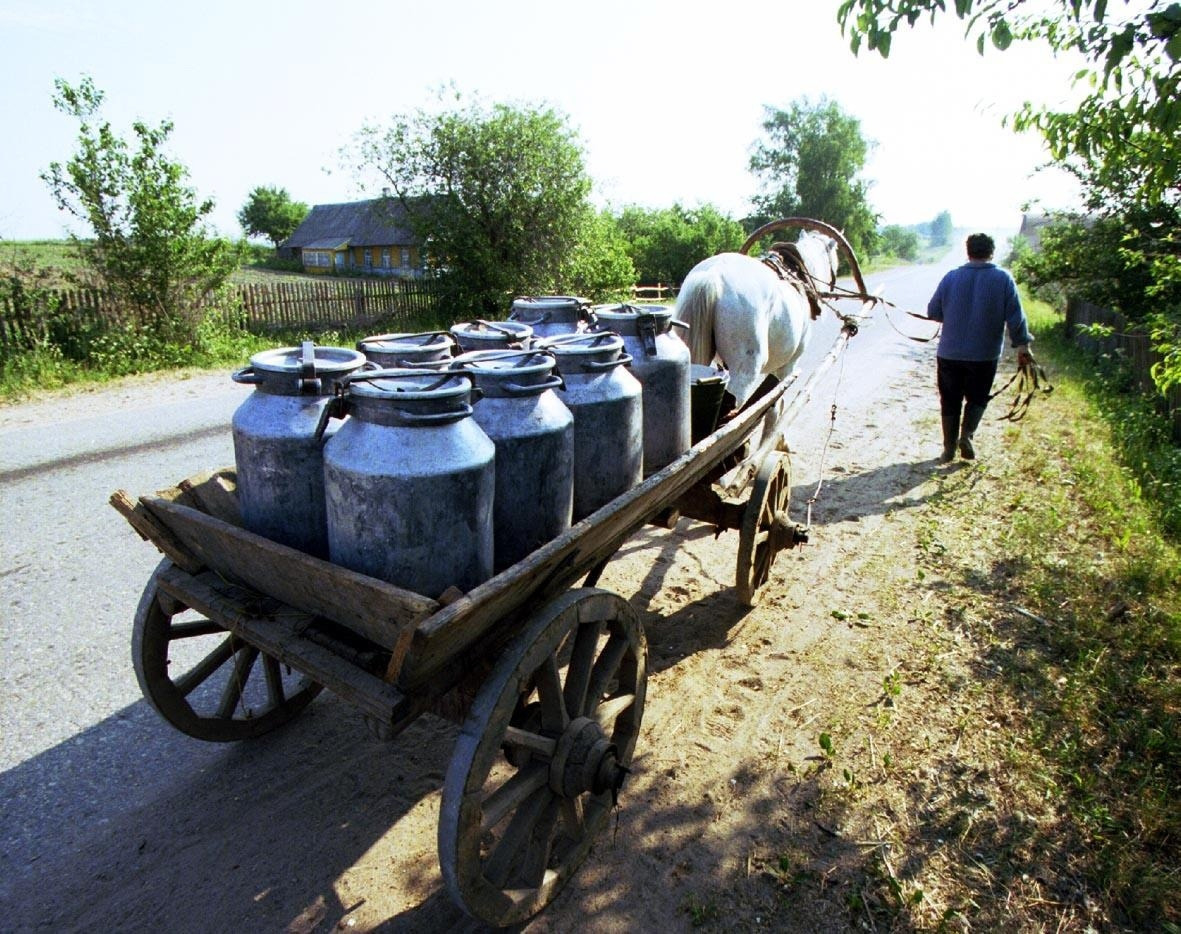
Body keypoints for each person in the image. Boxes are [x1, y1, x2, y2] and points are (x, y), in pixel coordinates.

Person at [927, 232, 1033, 462]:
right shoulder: (1003, 279)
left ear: (968, 251)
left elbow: (933, 311)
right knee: (977, 397)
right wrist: (1022, 345)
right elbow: (1016, 318)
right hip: (984, 355)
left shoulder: (951, 277)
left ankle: (948, 449)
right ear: (991, 252)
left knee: (950, 398)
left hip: (950, 354)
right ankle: (967, 436)